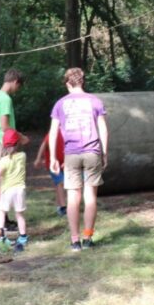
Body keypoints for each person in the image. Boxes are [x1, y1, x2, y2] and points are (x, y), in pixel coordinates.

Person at [48, 67, 109, 253]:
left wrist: (53, 157)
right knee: (90, 197)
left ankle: (75, 241)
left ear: (68, 83)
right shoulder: (95, 101)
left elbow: (53, 132)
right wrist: (104, 152)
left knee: (73, 198)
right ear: (83, 81)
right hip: (92, 152)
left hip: (71, 154)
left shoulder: (60, 104)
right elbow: (103, 129)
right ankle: (88, 238)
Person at [0, 69, 23, 162]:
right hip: (4, 145)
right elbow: (5, 127)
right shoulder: (5, 99)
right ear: (15, 82)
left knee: (2, 172)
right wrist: (21, 137)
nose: (17, 90)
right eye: (18, 86)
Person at [34, 129, 68, 217]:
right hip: (53, 164)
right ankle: (63, 208)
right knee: (60, 183)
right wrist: (38, 158)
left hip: (64, 163)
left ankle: (59, 206)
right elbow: (44, 145)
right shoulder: (54, 131)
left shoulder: (69, 131)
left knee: (60, 185)